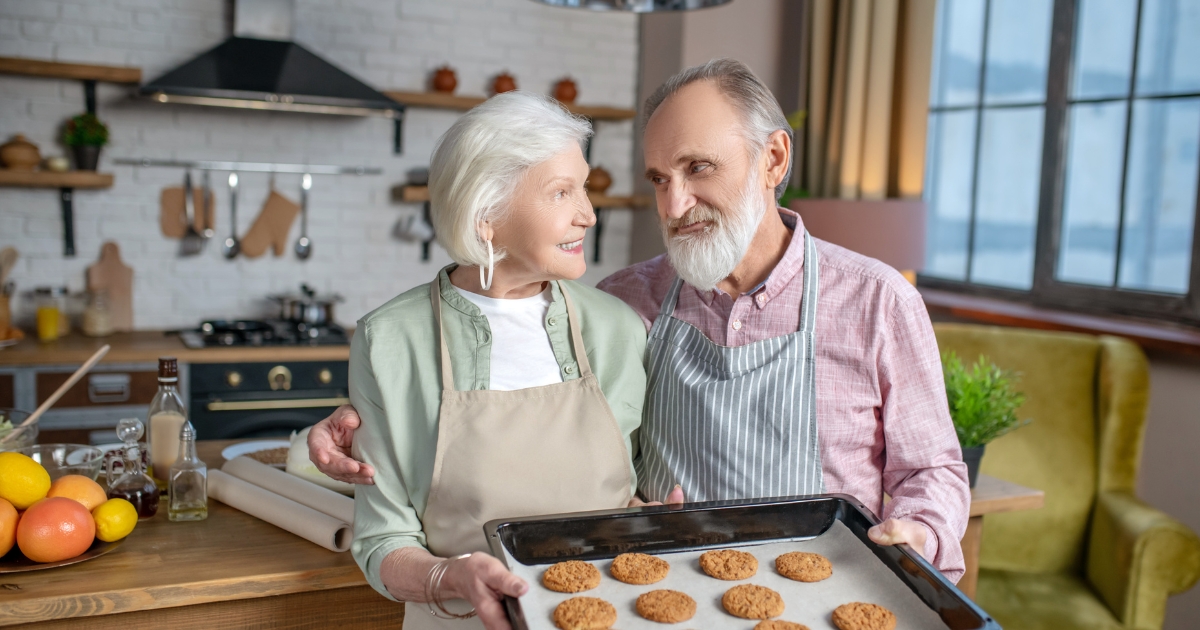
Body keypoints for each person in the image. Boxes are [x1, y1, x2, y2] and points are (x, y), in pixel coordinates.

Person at [313, 59, 970, 587]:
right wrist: (338, 427)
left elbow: (931, 473)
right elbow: (508, 413)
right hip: (668, 605)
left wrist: (919, 531)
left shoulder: (878, 302)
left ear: (773, 160)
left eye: (698, 168)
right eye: (659, 178)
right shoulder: (628, 303)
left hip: (828, 601)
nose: (675, 203)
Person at [347, 92, 662, 630]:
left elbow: (629, 498)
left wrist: (653, 524)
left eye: (583, 187)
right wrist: (450, 576)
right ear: (485, 214)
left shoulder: (618, 329)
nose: (588, 213)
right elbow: (384, 541)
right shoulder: (389, 341)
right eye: (561, 192)